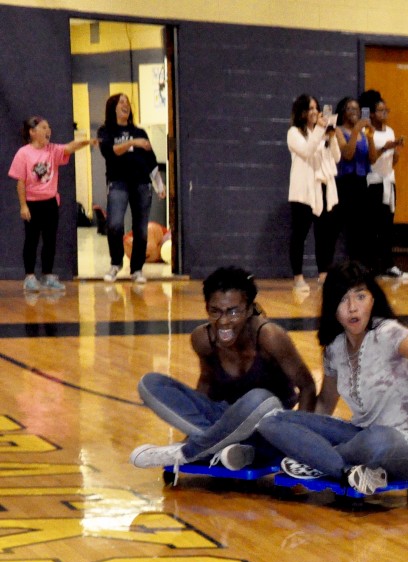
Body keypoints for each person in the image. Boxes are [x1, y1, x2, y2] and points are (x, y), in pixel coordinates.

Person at [256, 260, 408, 495]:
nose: (352, 307)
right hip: (360, 435)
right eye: (343, 299)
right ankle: (345, 471)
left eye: (360, 297)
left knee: (377, 440)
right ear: (332, 306)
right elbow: (325, 404)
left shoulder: (389, 332)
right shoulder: (335, 348)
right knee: (272, 421)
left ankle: (318, 463)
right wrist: (301, 433)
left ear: (372, 299)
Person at [129, 266, 317, 470]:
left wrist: (298, 445)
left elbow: (307, 387)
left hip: (270, 426)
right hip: (223, 418)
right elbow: (206, 383)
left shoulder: (270, 337)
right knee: (150, 383)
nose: (224, 321)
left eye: (233, 311)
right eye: (215, 311)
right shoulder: (203, 339)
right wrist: (190, 432)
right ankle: (232, 448)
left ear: (249, 309)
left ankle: (190, 451)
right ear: (206, 308)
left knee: (258, 398)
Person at [7, 116, 95, 292]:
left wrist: (87, 142)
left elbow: (70, 147)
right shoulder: (23, 153)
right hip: (32, 204)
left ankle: (47, 275)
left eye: (49, 127)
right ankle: (30, 277)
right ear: (32, 132)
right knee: (31, 240)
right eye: (44, 127)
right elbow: (21, 183)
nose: (48, 131)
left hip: (50, 203)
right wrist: (23, 206)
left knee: (50, 240)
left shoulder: (53, 150)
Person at [97, 93, 163, 285]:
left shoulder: (140, 131)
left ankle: (137, 269)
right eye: (121, 102)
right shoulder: (106, 131)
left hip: (142, 183)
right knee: (115, 224)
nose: (126, 105)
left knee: (141, 229)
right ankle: (116, 263)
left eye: (127, 102)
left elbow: (151, 160)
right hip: (118, 183)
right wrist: (133, 143)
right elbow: (110, 152)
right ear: (113, 108)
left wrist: (159, 184)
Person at [288, 94, 341, 291]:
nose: (314, 112)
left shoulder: (321, 132)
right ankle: (298, 277)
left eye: (315, 108)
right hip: (304, 191)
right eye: (310, 108)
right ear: (301, 112)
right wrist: (320, 129)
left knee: (325, 235)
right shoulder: (294, 133)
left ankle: (324, 274)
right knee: (299, 235)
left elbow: (335, 158)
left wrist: (332, 137)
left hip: (324, 188)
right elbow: (307, 151)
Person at [358, 89, 407, 280]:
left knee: (387, 226)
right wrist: (385, 148)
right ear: (371, 113)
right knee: (372, 227)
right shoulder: (367, 130)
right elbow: (371, 159)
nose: (384, 114)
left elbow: (393, 160)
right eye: (380, 110)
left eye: (386, 110)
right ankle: (371, 266)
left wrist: (395, 152)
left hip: (389, 181)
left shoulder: (391, 131)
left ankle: (389, 264)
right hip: (374, 183)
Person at [334, 97, 377, 268]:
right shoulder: (338, 130)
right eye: (350, 109)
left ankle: (361, 265)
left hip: (361, 183)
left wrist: (370, 136)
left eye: (357, 109)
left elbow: (372, 159)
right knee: (344, 228)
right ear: (343, 112)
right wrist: (355, 131)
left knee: (362, 228)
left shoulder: (363, 134)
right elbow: (347, 154)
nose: (355, 112)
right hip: (345, 183)